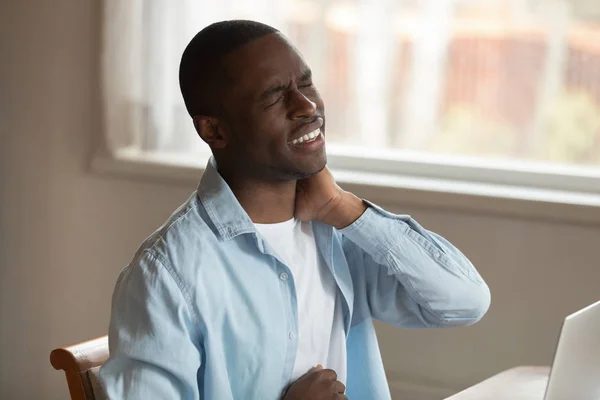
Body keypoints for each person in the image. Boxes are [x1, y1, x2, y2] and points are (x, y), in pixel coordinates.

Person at [99, 20, 490, 400]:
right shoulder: (167, 275)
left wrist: (343, 207)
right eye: (273, 95)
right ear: (214, 131)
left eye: (305, 83)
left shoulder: (338, 232)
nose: (306, 106)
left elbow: (464, 302)